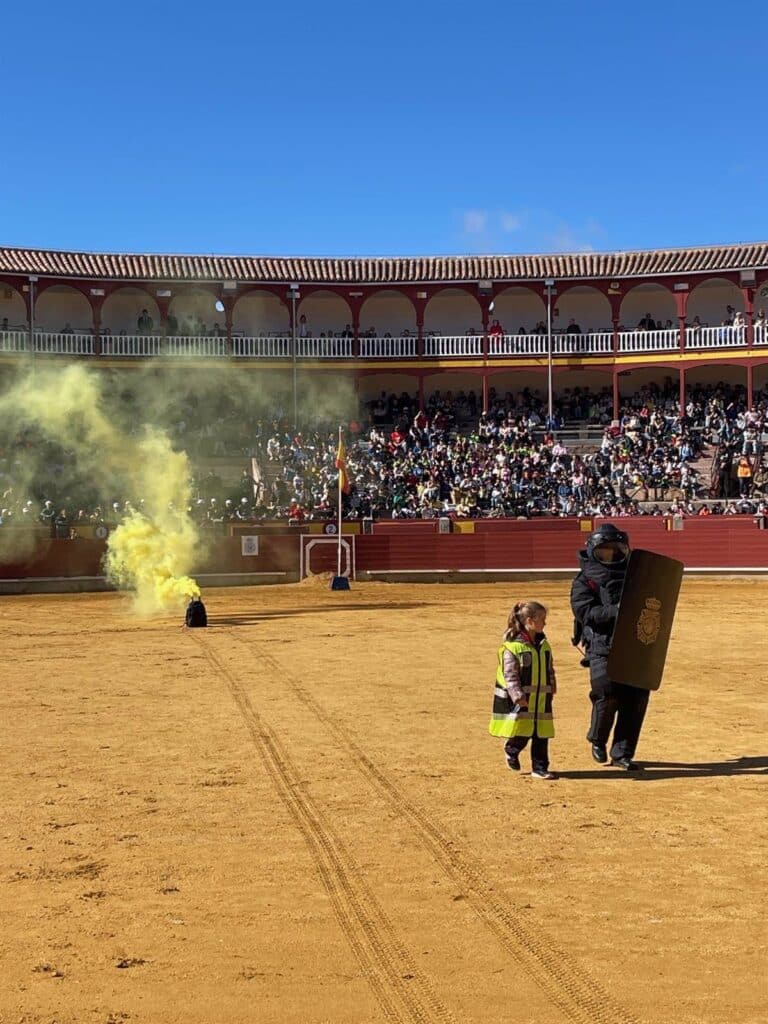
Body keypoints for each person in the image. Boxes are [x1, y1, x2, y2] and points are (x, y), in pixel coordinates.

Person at [570, 523, 648, 770]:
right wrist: (616, 612)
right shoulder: (585, 580)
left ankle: (622, 753)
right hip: (601, 643)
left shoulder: (637, 574)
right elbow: (585, 611)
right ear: (594, 551)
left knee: (635, 699)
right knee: (606, 693)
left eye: (616, 550)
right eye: (605, 551)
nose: (611, 555)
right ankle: (597, 739)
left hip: (635, 644)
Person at [488, 599, 557, 780]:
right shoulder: (512, 648)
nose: (545, 623)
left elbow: (549, 668)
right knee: (524, 731)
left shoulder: (544, 645)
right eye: (542, 619)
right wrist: (517, 696)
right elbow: (510, 675)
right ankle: (512, 748)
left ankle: (540, 767)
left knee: (541, 734)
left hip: (542, 699)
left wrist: (552, 685)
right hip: (524, 699)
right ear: (529, 622)